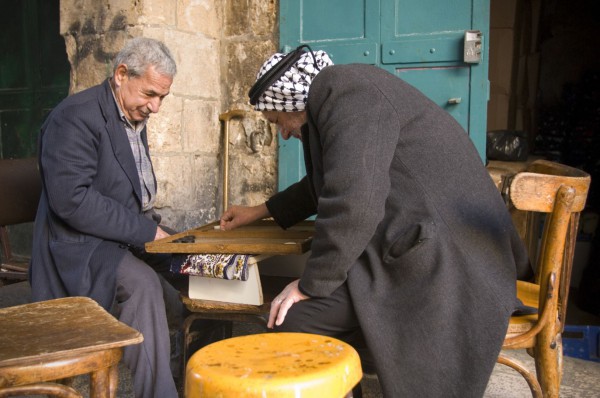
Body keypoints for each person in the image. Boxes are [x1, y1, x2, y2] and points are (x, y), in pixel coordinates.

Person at [220, 46, 533, 397]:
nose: (284, 134)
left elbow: (354, 203)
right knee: (306, 311)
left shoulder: (348, 92)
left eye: (277, 122)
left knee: (294, 319)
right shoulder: (345, 91)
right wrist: (261, 210)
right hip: (436, 243)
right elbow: (331, 180)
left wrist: (310, 286)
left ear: (289, 100)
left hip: (447, 260)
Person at [30, 37, 183, 398]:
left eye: (162, 98)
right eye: (150, 94)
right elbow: (73, 202)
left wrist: (164, 237)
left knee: (195, 260)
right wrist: (147, 232)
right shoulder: (75, 117)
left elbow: (126, 191)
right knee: (142, 285)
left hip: (114, 234)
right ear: (120, 74)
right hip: (76, 245)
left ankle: (188, 374)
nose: (156, 107)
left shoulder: (131, 112)